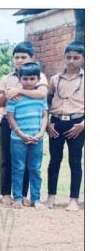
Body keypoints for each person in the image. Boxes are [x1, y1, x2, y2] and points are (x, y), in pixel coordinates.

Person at [0, 41, 48, 206]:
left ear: (32, 57)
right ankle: (7, 193)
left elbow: (42, 94)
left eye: (23, 57)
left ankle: (25, 195)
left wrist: (19, 90)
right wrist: (8, 94)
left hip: (33, 126)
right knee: (8, 160)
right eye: (16, 57)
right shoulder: (6, 78)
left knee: (31, 167)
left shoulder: (39, 75)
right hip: (11, 124)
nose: (19, 60)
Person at [46, 41, 85, 211]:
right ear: (64, 58)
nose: (71, 61)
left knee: (75, 161)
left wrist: (83, 124)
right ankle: (51, 197)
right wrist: (47, 122)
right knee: (54, 160)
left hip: (77, 123)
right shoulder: (55, 79)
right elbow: (47, 101)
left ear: (83, 59)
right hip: (56, 122)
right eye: (68, 57)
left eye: (76, 57)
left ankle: (74, 199)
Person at [6, 62, 48, 210]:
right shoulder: (14, 97)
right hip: (18, 140)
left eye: (32, 79)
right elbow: (10, 117)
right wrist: (20, 133)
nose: (28, 82)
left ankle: (35, 199)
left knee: (35, 169)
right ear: (20, 79)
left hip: (37, 139)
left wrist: (42, 132)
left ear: (38, 79)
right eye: (25, 79)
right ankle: (17, 197)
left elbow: (44, 116)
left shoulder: (40, 97)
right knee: (18, 168)